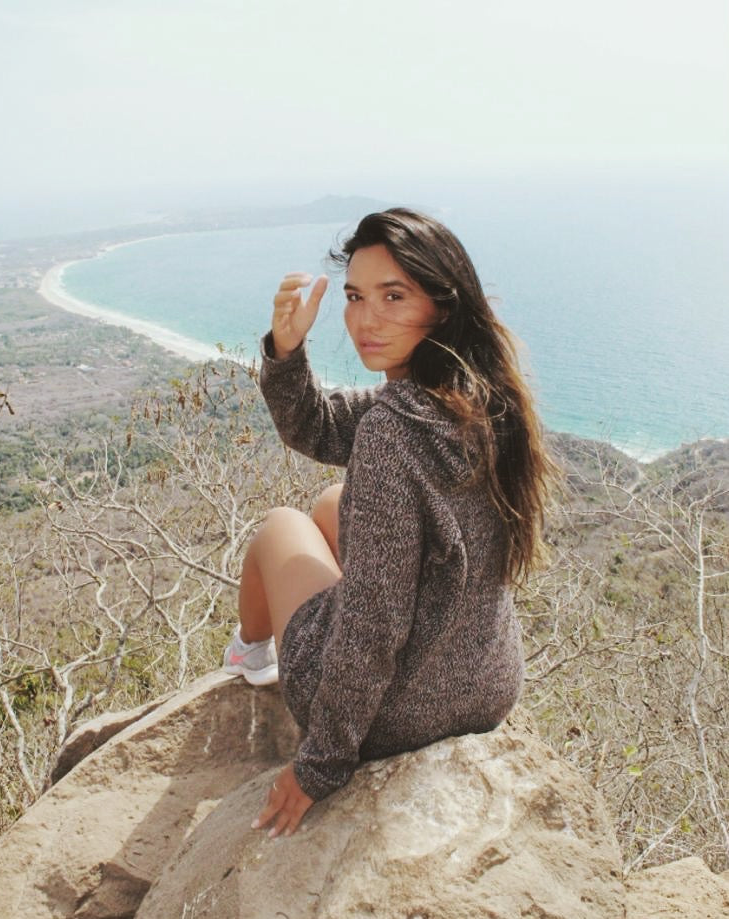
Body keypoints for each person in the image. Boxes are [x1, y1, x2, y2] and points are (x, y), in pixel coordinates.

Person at [222, 208, 552, 839]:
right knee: (331, 501)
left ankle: (252, 655)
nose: (364, 320)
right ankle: (257, 651)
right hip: (483, 684)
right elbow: (316, 426)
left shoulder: (393, 432)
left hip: (393, 715)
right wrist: (287, 351)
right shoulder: (480, 395)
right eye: (354, 297)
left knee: (282, 525)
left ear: (442, 306)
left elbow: (374, 622)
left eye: (393, 296)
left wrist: (319, 765)